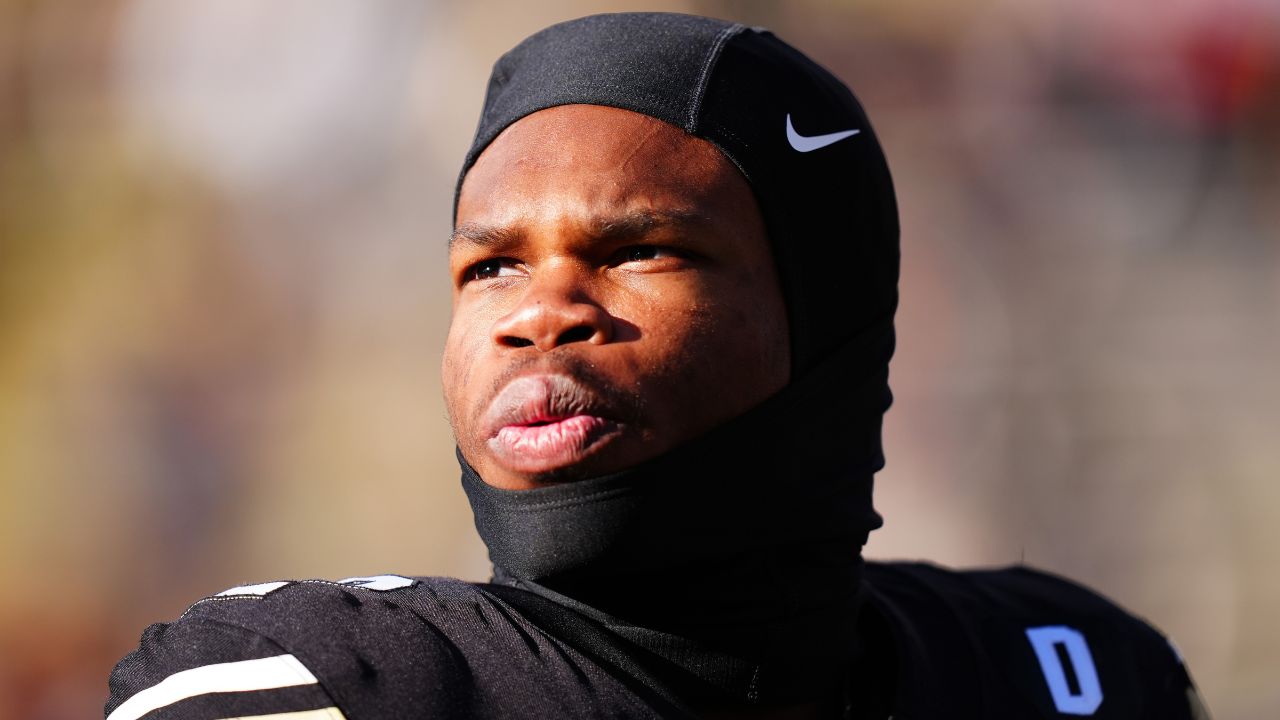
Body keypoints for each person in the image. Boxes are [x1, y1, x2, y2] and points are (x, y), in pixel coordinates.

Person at [105, 13, 1209, 720]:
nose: (537, 315)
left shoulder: (1065, 672)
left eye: (637, 250)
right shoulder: (320, 686)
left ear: (821, 316)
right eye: (488, 267)